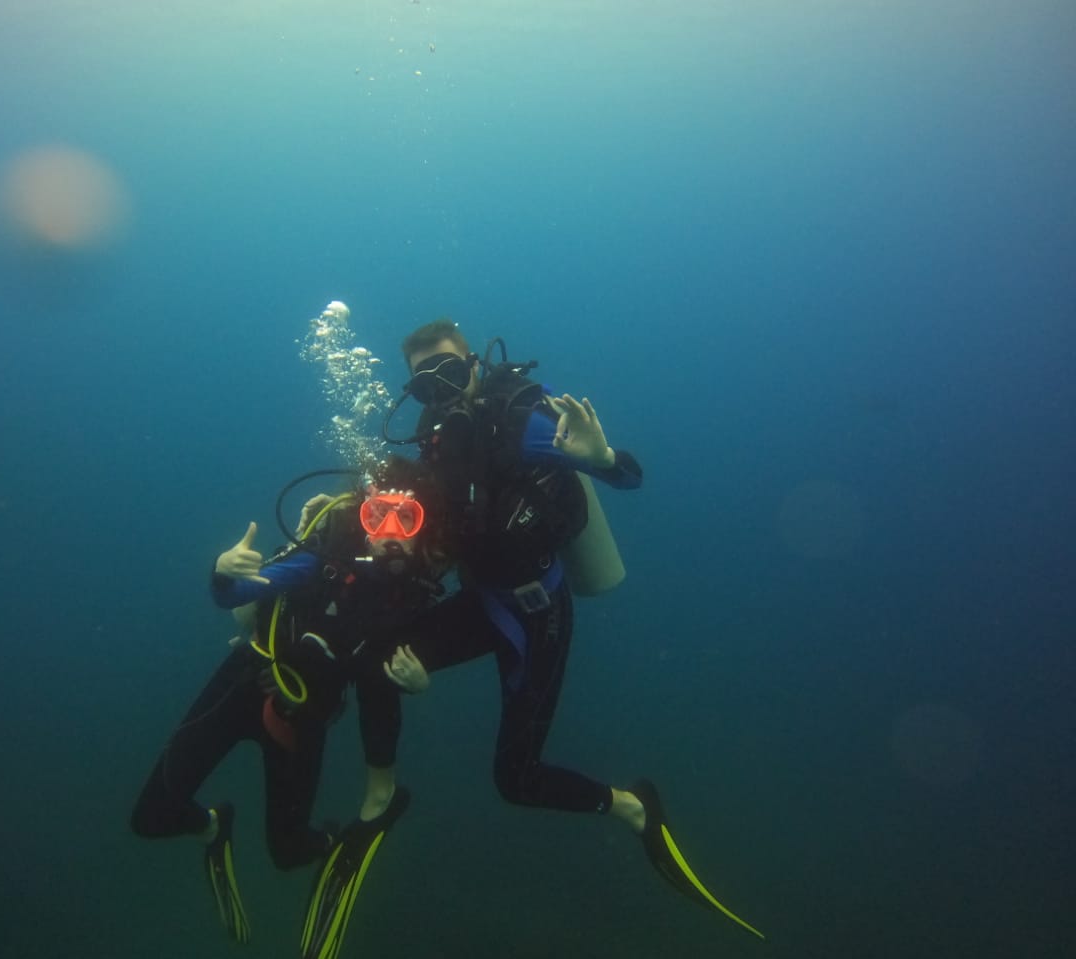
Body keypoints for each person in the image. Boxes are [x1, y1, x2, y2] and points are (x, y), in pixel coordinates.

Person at [383, 318, 764, 940]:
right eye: (425, 384)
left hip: (535, 613)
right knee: (380, 653)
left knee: (516, 780)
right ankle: (378, 796)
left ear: (475, 363)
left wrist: (603, 458)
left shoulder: (522, 421)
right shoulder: (434, 435)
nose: (442, 391)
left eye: (450, 371)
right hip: (482, 600)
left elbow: (631, 477)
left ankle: (633, 807)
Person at [129, 456, 449, 948]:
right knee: (151, 818)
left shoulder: (416, 593)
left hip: (304, 721)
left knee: (289, 852)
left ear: (422, 527)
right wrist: (222, 574)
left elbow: (386, 681)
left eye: (406, 518)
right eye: (376, 515)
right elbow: (237, 592)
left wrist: (417, 682)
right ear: (359, 519)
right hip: (241, 687)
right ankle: (214, 827)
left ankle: (333, 846)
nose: (389, 530)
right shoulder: (323, 558)